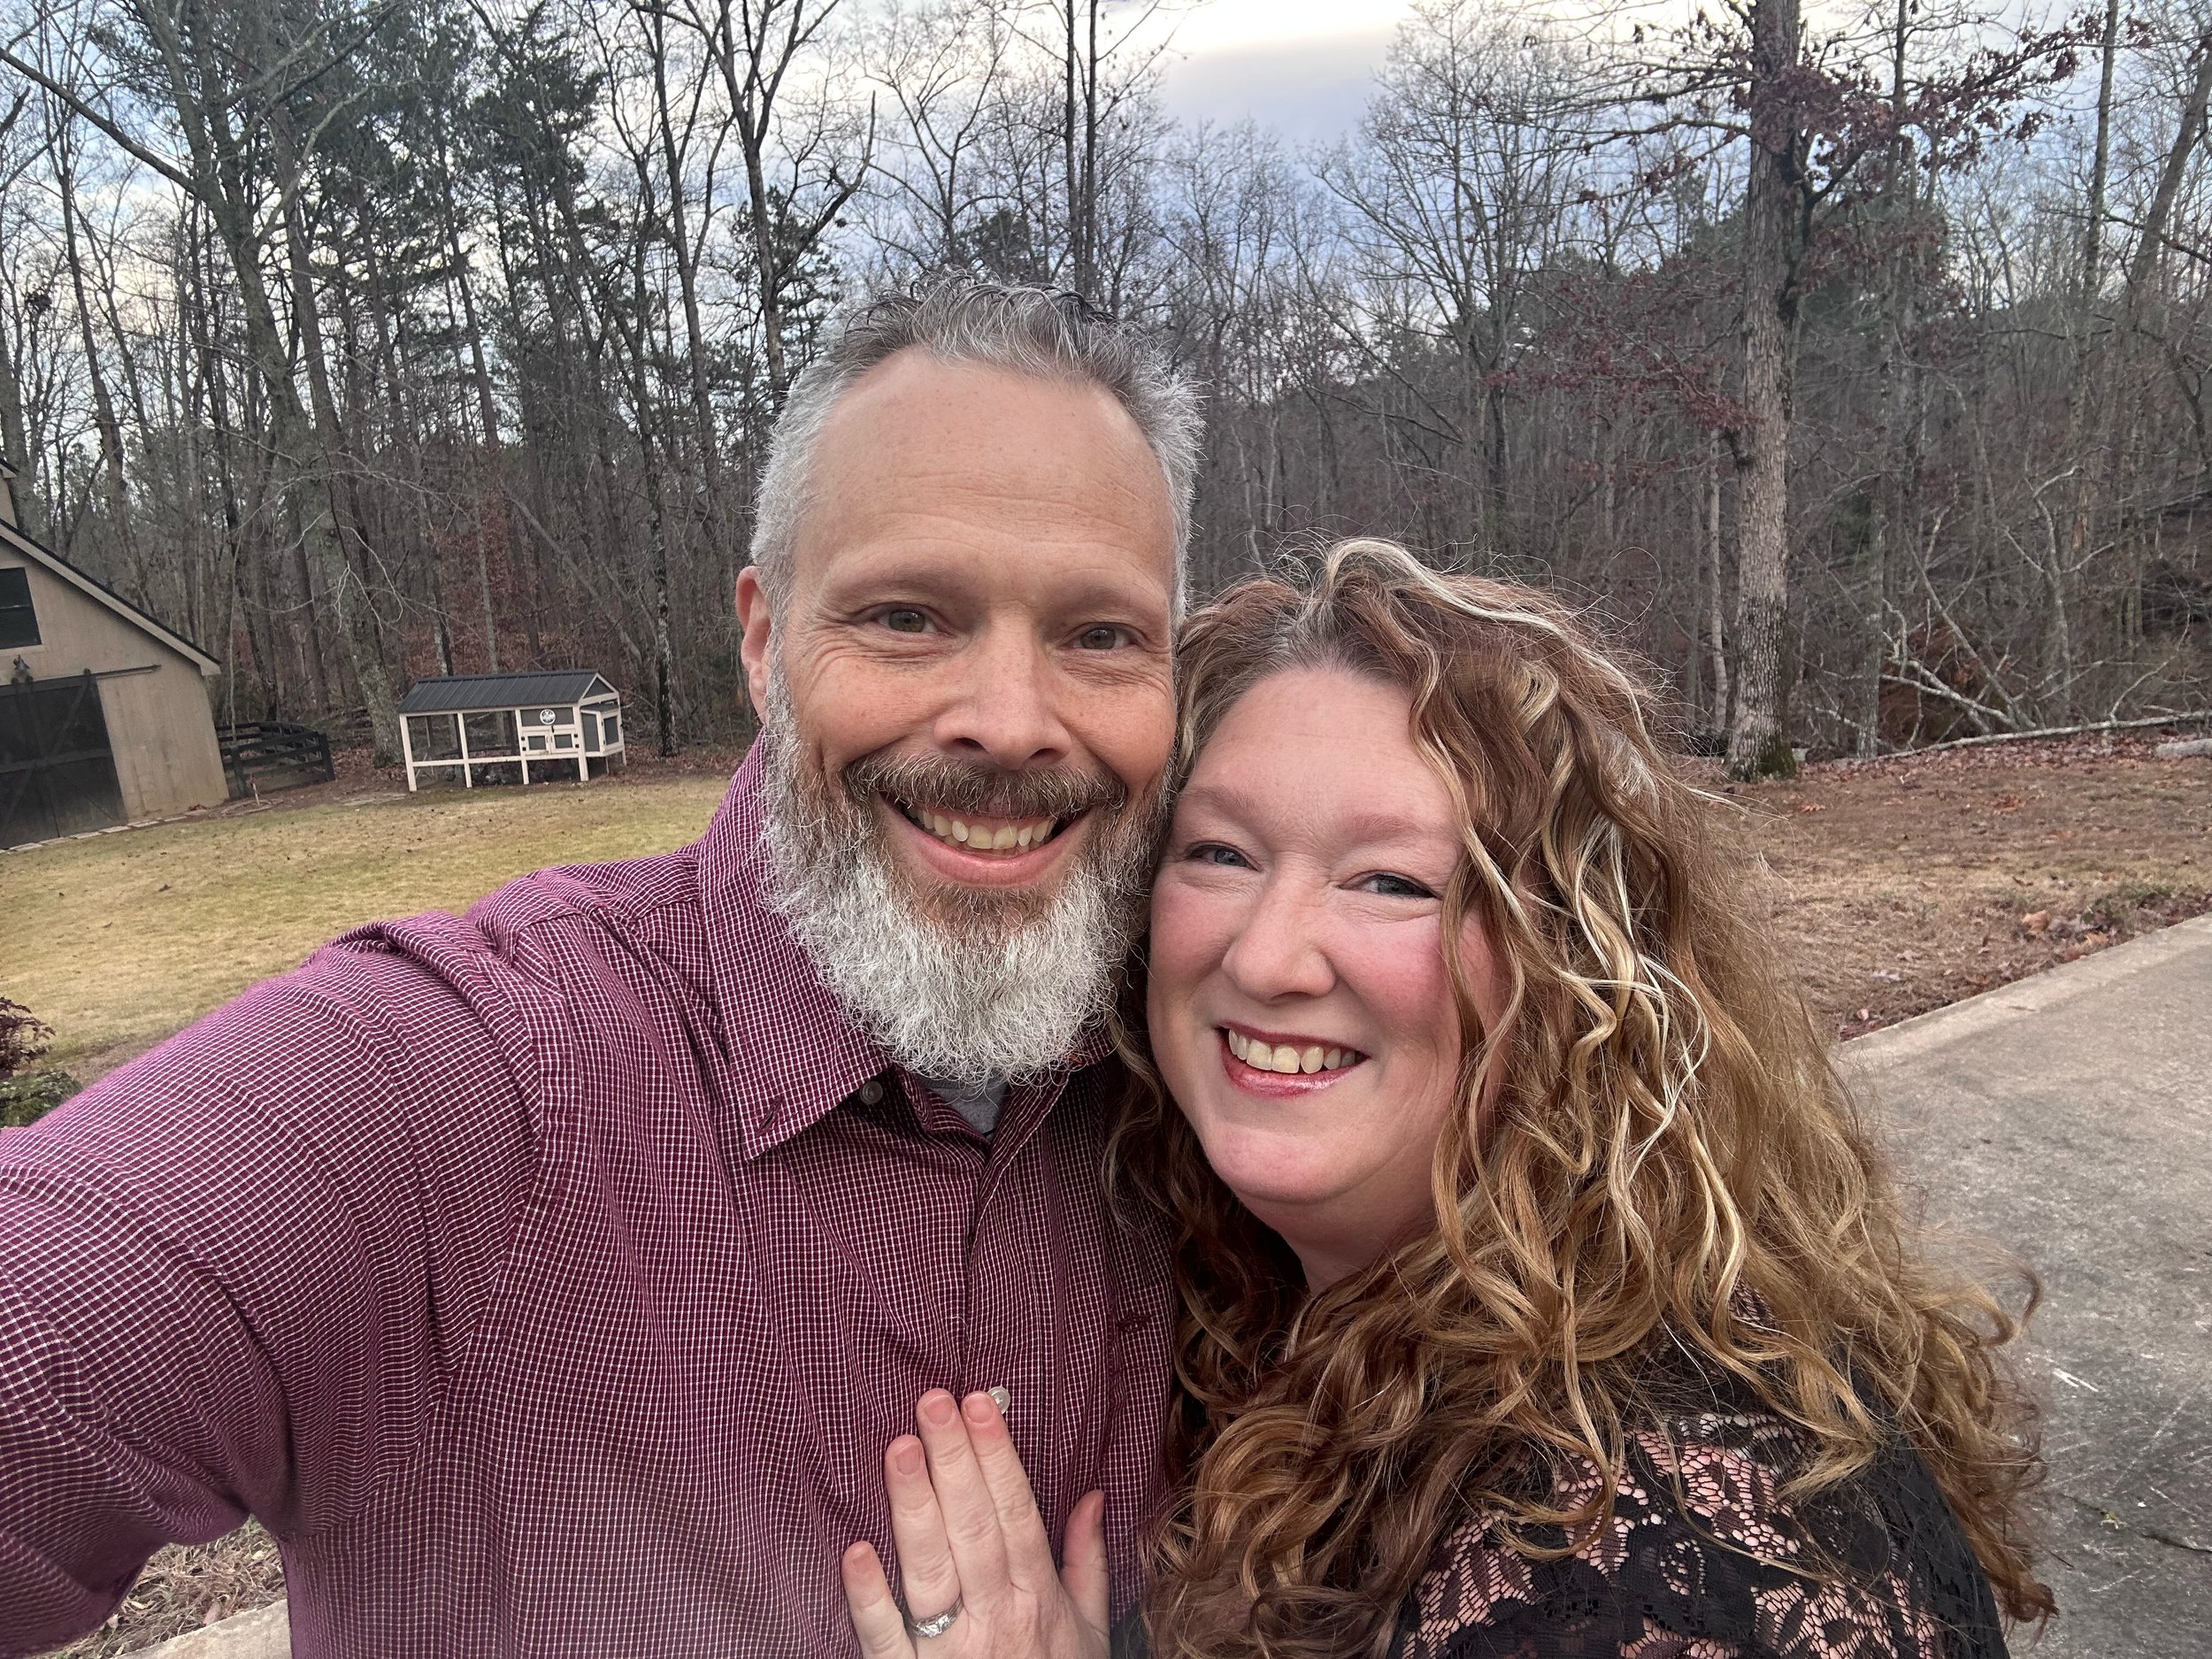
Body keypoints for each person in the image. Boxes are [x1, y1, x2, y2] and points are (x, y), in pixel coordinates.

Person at [0, 278, 1202, 1658]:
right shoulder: (450, 1083)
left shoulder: (1225, 1109)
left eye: (1100, 636)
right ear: (764, 642)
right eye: (907, 617)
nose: (1008, 721)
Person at [840, 540, 2052, 1659]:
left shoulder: (1634, 1554)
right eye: (1220, 853)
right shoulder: (1331, 1327)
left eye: (1392, 881)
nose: (1270, 957)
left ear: (1577, 970)